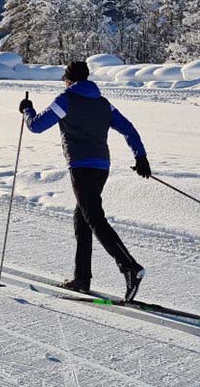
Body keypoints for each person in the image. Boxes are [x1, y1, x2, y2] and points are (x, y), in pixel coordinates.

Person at [19, 60, 152, 301]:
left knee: (93, 218)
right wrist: (140, 156)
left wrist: (27, 109)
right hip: (101, 167)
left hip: (81, 166)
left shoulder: (66, 100)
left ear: (69, 80)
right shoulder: (103, 104)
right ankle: (81, 278)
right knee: (82, 217)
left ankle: (130, 267)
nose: (64, 83)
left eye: (65, 80)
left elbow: (36, 127)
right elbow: (128, 129)